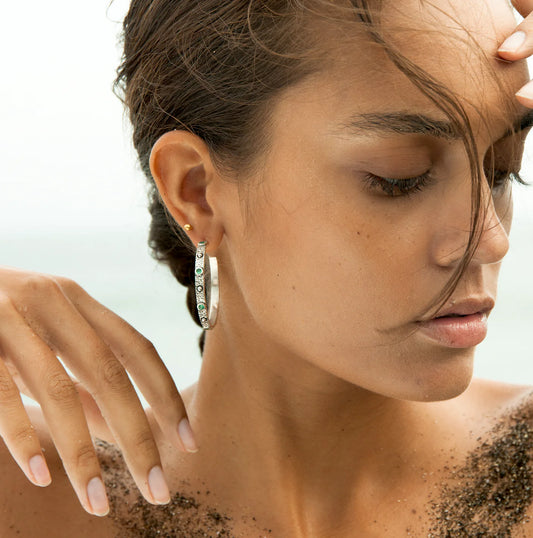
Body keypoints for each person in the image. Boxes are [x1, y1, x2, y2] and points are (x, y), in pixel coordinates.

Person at [2, 0, 533, 535]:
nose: (491, 241)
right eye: (400, 178)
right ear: (196, 193)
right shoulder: (35, 484)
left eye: (503, 171)